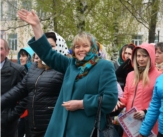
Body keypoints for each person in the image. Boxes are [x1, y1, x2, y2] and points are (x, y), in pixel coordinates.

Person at [17, 9, 118, 137]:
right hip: (62, 129)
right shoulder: (71, 65)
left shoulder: (104, 66)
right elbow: (48, 54)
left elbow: (110, 99)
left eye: (85, 46)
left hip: (87, 129)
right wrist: (36, 26)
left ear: (93, 48)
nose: (81, 50)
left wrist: (81, 104)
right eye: (77, 47)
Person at [1, 32, 67, 137]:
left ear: (60, 47)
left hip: (53, 126)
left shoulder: (64, 68)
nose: (47, 50)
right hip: (33, 126)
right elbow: (20, 89)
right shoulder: (34, 67)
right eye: (44, 46)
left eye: (51, 46)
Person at [114, 43, 161, 137]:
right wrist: (117, 103)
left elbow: (161, 101)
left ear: (151, 56)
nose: (141, 59)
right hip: (130, 123)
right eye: (138, 56)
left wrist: (145, 112)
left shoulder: (159, 76)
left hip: (148, 121)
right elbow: (126, 97)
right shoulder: (130, 75)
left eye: (144, 56)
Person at [1, 38, 27, 137]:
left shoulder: (17, 70)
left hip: (6, 126)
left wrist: (12, 115)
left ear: (7, 51)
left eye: (1, 48)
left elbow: (26, 94)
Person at [16, 46, 34, 137]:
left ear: (30, 57)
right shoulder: (17, 72)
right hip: (20, 111)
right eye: (20, 56)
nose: (20, 58)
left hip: (31, 111)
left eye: (23, 56)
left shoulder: (34, 73)